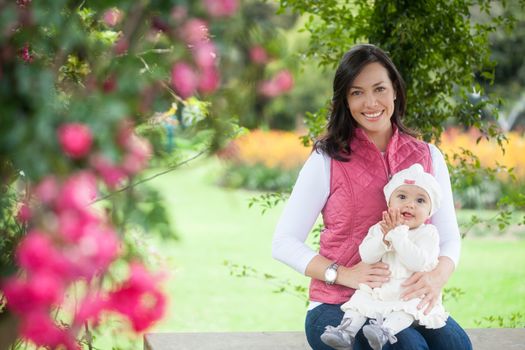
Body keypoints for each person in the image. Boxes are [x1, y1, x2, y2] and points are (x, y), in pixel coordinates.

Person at [271, 44, 472, 350]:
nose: (370, 102)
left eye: (379, 89)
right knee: (409, 348)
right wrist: (343, 274)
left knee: (457, 346)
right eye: (357, 92)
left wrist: (437, 276)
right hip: (340, 306)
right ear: (345, 100)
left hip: (407, 302)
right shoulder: (327, 159)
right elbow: (284, 242)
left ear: (395, 92)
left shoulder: (429, 156)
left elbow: (449, 239)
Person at [320, 164, 449, 350]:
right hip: (380, 288)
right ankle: (345, 331)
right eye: (402, 197)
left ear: (430, 211)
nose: (410, 204)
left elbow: (418, 262)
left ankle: (384, 330)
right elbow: (367, 256)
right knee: (360, 300)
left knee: (411, 309)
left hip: (408, 290)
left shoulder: (428, 233)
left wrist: (397, 235)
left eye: (420, 200)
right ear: (389, 203)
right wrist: (384, 240)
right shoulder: (380, 228)